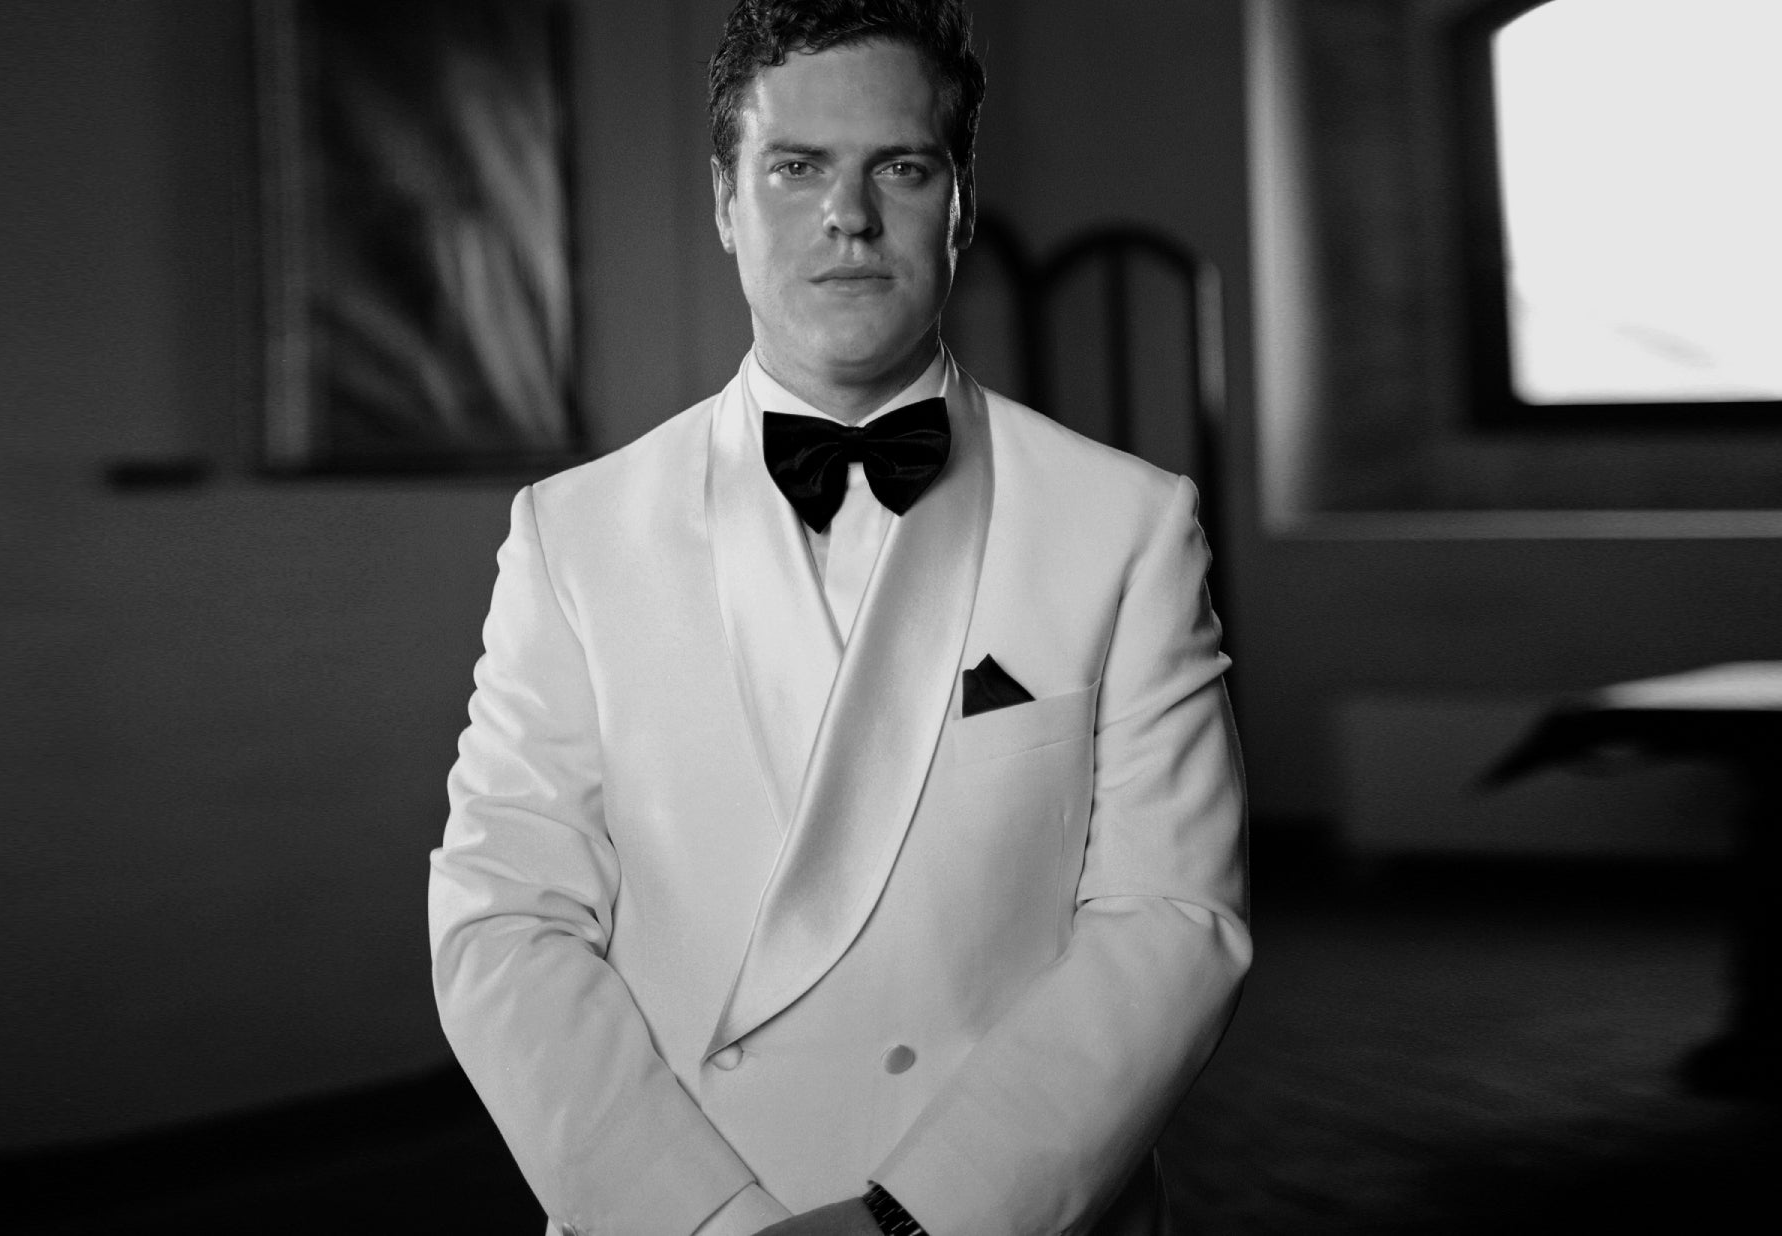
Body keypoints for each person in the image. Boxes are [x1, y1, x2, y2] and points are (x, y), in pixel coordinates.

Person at [428, 2, 1249, 1232]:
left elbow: (1169, 921)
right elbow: (504, 920)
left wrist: (914, 1219)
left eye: (899, 168)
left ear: (960, 204)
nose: (847, 216)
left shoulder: (1126, 524)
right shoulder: (571, 533)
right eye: (795, 167)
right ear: (725, 201)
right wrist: (709, 1221)